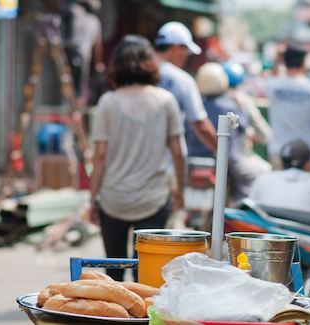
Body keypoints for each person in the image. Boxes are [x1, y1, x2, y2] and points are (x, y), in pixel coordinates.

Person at [89, 35, 185, 281]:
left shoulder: (108, 102)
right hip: (153, 199)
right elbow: (178, 151)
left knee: (113, 270)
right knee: (147, 272)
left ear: (117, 66)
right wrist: (180, 191)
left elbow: (99, 155)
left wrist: (93, 197)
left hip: (114, 198)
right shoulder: (166, 100)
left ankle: (114, 317)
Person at [190, 62, 266, 200]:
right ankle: (241, 211)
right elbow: (243, 129)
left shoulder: (195, 105)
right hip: (228, 161)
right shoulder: (233, 104)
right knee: (261, 172)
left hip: (193, 160)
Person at [264, 44, 310, 169]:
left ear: (284, 63)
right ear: (304, 64)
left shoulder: (272, 86)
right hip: (307, 154)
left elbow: (271, 75)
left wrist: (278, 60)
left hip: (278, 152)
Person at [154, 21, 217, 154]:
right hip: (168, 164)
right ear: (176, 48)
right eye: (186, 52)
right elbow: (201, 125)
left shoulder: (135, 72)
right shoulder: (183, 80)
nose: (187, 57)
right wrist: (221, 150)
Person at [248, 139, 310, 216]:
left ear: (281, 163)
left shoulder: (262, 178)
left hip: (267, 230)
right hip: (304, 232)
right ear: (308, 165)